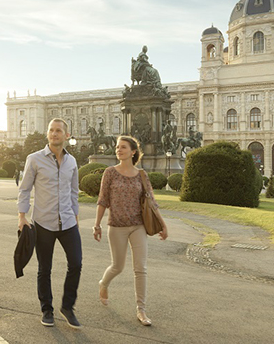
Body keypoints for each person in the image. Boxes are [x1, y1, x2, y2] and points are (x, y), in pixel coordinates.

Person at [93, 135, 168, 326]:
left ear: (133, 152)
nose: (119, 150)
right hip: (116, 226)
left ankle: (141, 310)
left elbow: (152, 201)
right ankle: (104, 283)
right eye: (117, 147)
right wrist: (97, 224)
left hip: (138, 226)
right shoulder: (110, 172)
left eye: (123, 147)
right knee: (117, 266)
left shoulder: (142, 175)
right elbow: (102, 200)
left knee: (140, 269)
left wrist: (163, 224)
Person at [18, 118, 82, 329]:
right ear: (48, 134)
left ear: (66, 135)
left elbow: (74, 192)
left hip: (68, 222)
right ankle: (47, 309)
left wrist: (76, 216)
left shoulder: (72, 162)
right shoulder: (34, 159)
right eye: (51, 130)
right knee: (45, 269)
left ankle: (67, 306)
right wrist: (22, 216)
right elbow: (25, 188)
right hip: (43, 222)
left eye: (58, 131)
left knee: (76, 263)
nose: (54, 134)